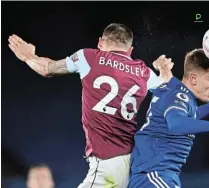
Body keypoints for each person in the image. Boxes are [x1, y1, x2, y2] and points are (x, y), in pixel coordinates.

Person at [8, 23, 173, 188]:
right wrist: (164, 70)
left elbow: (47, 68)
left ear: (100, 43)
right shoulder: (144, 72)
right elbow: (168, 92)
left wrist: (28, 56)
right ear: (130, 51)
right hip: (133, 163)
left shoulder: (88, 57)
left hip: (108, 165)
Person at [128, 49, 209, 188]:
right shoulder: (177, 95)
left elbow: (186, 116)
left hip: (159, 176)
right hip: (153, 175)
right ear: (194, 78)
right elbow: (176, 123)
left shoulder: (180, 95)